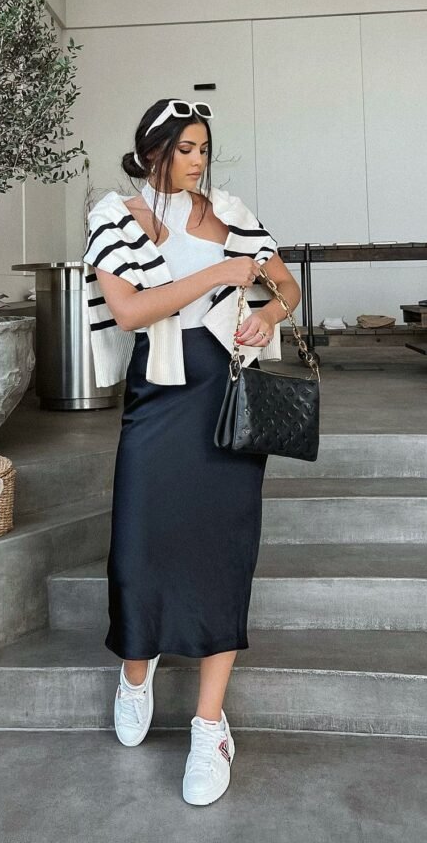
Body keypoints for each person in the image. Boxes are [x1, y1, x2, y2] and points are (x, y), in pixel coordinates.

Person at [81, 98, 301, 806]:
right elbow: (130, 310)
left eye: (203, 146)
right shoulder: (116, 215)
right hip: (160, 397)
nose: (198, 160)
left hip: (226, 401)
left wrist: (268, 310)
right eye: (184, 148)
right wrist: (216, 275)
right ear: (153, 151)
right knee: (139, 544)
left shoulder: (230, 210)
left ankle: (210, 724)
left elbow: (285, 283)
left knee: (221, 551)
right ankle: (135, 674)